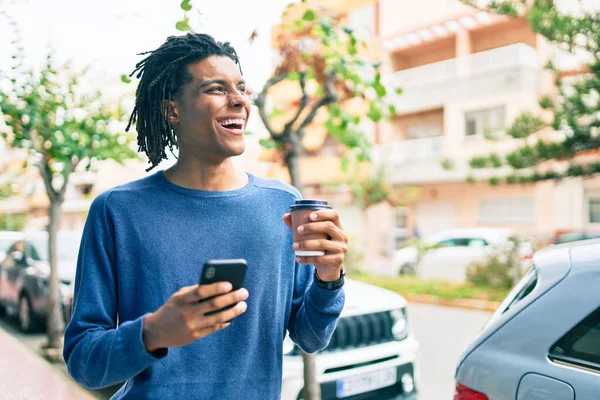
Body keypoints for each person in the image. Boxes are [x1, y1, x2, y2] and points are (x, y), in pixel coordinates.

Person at [63, 33, 348, 399]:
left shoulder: (283, 205)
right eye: (216, 88)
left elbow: (310, 337)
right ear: (172, 111)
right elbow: (83, 361)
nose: (239, 100)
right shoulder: (117, 210)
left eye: (242, 88)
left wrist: (329, 277)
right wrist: (153, 333)